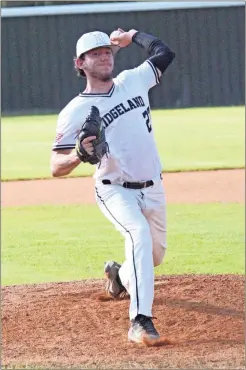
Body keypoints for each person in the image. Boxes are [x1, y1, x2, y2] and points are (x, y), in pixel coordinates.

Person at [50, 28, 175, 345]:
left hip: (154, 186)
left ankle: (119, 277)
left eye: (107, 51)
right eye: (95, 53)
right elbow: (56, 167)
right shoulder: (74, 111)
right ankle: (140, 322)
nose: (104, 56)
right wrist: (79, 154)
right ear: (80, 63)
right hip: (114, 188)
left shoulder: (133, 80)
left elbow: (164, 53)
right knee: (138, 235)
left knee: (153, 255)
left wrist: (133, 36)